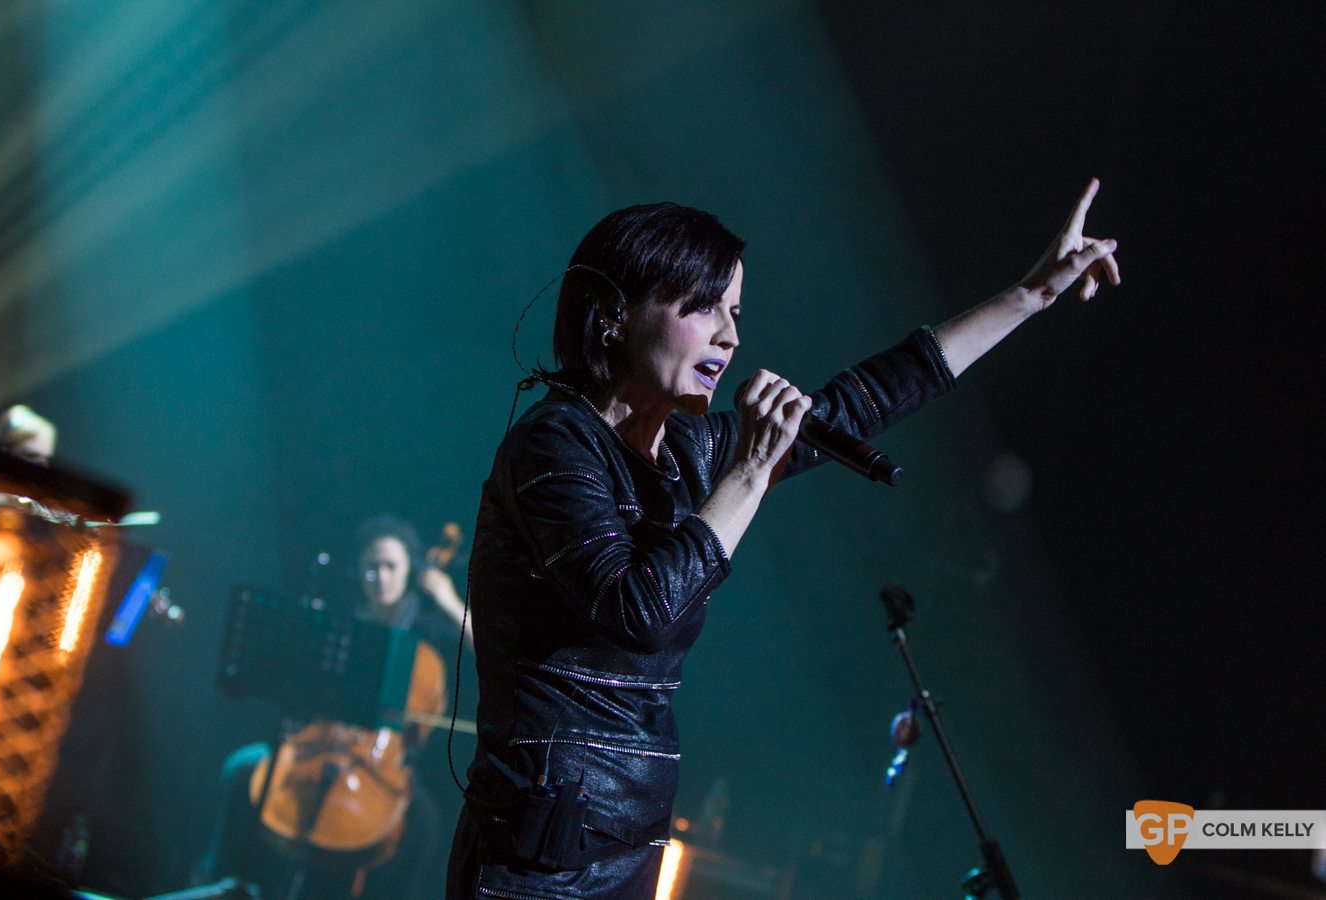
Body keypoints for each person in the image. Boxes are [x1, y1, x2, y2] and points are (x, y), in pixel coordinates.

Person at [445, 183, 1120, 898]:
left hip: (626, 842)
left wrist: (1030, 296)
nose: (730, 337)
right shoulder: (555, 444)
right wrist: (752, 468)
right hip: (537, 858)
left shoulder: (687, 453)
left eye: (735, 314)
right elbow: (636, 609)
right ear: (614, 316)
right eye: (703, 307)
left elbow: (870, 396)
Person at [201, 516, 470, 900]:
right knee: (242, 767)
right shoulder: (345, 625)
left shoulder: (430, 631)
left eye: (390, 566)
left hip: (381, 767)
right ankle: (218, 880)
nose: (380, 578)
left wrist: (448, 600)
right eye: (371, 569)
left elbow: (491, 648)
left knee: (424, 823)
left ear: (410, 569)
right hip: (321, 746)